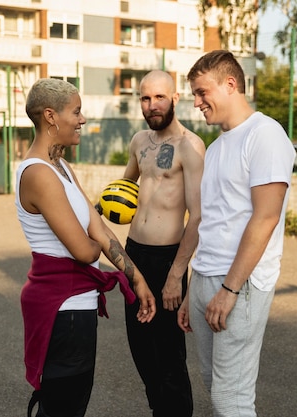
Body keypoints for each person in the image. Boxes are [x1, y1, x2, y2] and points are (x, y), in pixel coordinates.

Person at [15, 78, 156, 417]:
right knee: (64, 408)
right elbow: (85, 250)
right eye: (76, 112)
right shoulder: (39, 174)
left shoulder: (60, 167)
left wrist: (137, 278)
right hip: (63, 310)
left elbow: (97, 227)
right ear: (51, 116)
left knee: (71, 405)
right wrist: (91, 236)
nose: (82, 119)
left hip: (78, 307)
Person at [177, 50, 296, 416]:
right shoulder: (215, 148)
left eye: (201, 92)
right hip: (206, 279)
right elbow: (209, 220)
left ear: (231, 84)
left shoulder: (266, 135)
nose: (196, 102)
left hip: (240, 286)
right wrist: (192, 291)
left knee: (232, 399)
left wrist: (229, 290)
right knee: (216, 387)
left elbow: (265, 218)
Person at [121, 70, 205, 417]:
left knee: (169, 357)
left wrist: (176, 275)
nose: (152, 105)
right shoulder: (139, 141)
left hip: (167, 260)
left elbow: (198, 217)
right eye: (145, 98)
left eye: (159, 97)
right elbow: (123, 189)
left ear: (175, 98)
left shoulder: (190, 145)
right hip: (134, 256)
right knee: (141, 351)